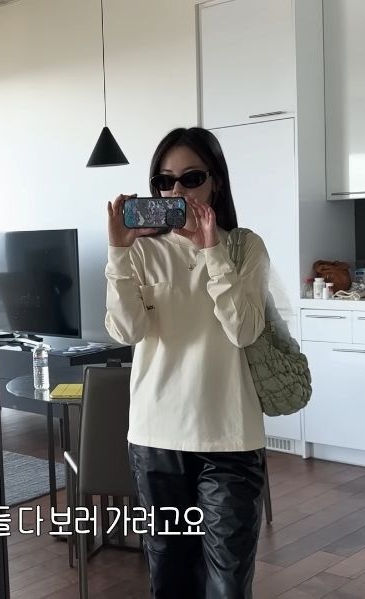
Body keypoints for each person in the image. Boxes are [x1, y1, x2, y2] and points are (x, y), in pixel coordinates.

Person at [105, 127, 269, 598]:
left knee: (228, 585)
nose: (176, 191)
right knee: (171, 580)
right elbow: (126, 331)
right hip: (157, 437)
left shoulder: (244, 248)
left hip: (230, 437)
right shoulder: (139, 252)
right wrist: (117, 252)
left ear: (215, 182)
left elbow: (243, 331)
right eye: (164, 181)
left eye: (191, 178)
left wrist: (211, 250)